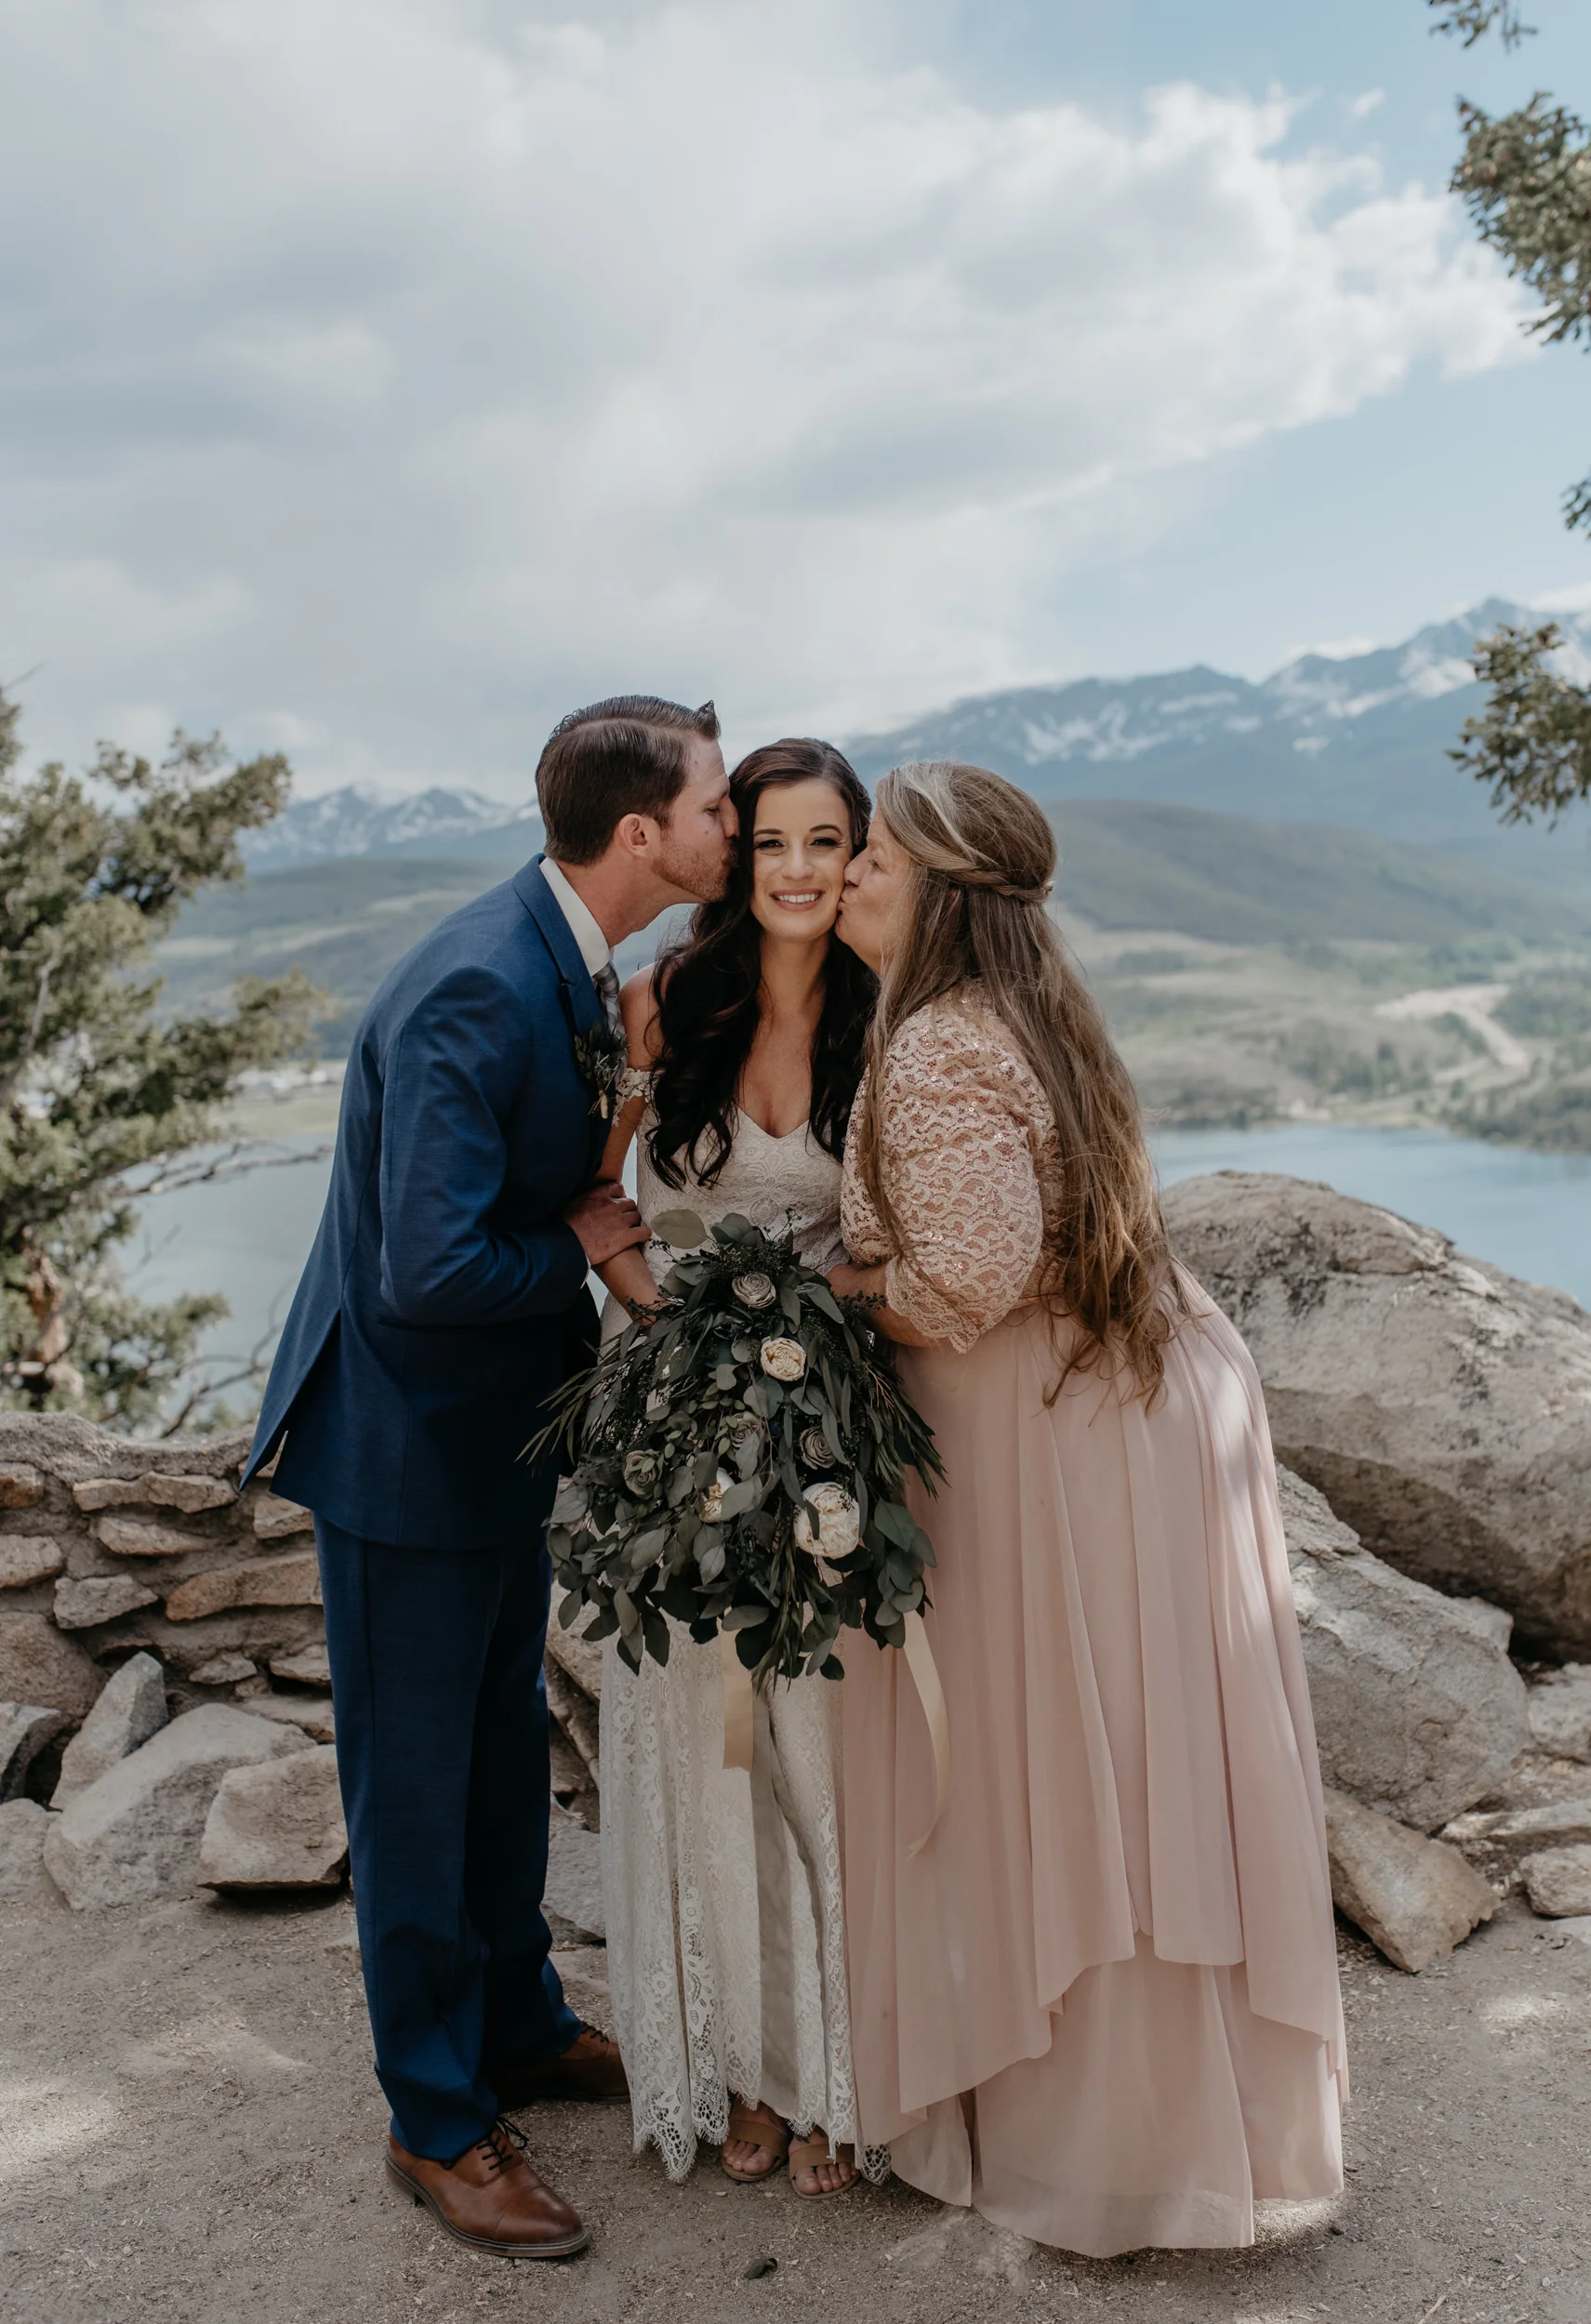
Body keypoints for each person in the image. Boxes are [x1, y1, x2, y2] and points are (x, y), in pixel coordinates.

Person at [827, 759, 1346, 2258]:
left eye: (874, 852)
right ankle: (1185, 2130)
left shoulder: (931, 1048)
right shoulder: (1029, 1015)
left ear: (938, 889)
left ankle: (1111, 2153)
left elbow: (967, 1280)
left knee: (1066, 1763)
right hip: (1133, 1398)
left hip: (1050, 1434)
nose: (851, 870)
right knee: (1135, 1756)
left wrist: (842, 1286)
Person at [243, 695, 736, 2259]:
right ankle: (438, 2121)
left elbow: (558, 1162)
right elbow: (429, 1267)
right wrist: (589, 1242)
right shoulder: (474, 985)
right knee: (414, 1790)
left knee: (499, 1761)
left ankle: (517, 2019)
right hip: (404, 1453)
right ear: (642, 834)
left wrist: (631, 1098)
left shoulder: (573, 967)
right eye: (718, 806)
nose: (733, 830)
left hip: (492, 1440)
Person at [591, 738, 880, 2198]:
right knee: (703, 1745)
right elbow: (595, 1188)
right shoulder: (669, 1002)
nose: (796, 871)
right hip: (671, 1416)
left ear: (858, 856)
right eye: (770, 842)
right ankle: (741, 2068)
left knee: (817, 1755)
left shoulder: (886, 1026)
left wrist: (809, 1339)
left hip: (824, 1429)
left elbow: (892, 1245)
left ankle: (834, 2074)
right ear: (740, 857)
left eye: (826, 842)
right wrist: (663, 1321)